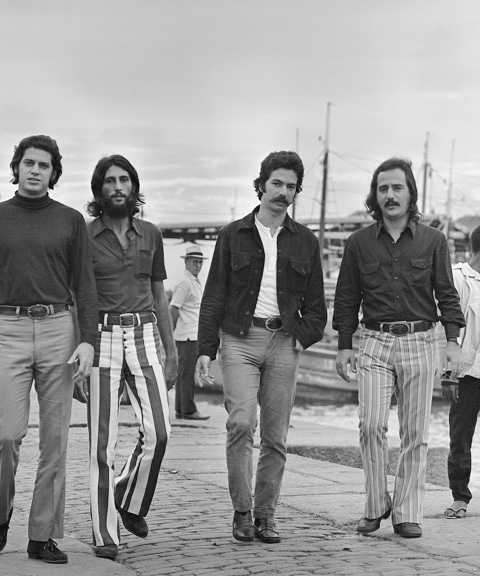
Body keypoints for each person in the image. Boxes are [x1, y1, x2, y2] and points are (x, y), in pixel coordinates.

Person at [195, 150, 327, 543]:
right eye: (277, 183)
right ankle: (242, 512)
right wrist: (206, 349)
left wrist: (300, 337)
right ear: (261, 185)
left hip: (284, 342)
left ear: (296, 192)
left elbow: (317, 307)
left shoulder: (306, 241)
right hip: (240, 339)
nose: (283, 192)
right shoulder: (232, 234)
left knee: (275, 435)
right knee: (240, 423)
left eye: (291, 186)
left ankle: (266, 516)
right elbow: (214, 295)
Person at [333, 156, 465, 539]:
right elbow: (346, 298)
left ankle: (407, 512)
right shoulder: (358, 243)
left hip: (422, 341)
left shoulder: (434, 241)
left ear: (410, 193)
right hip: (374, 341)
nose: (390, 195)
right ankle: (376, 504)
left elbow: (447, 294)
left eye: (397, 187)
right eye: (383, 188)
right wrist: (344, 345)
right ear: (375, 196)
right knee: (370, 425)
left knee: (415, 432)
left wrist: (452, 342)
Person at [0, 135, 98, 564]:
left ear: (53, 173)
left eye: (44, 165)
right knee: (6, 434)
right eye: (29, 163)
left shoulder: (71, 220)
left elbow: (85, 284)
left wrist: (88, 339)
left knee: (55, 440)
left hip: (60, 328)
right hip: (7, 328)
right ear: (16, 168)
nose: (35, 170)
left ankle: (42, 535)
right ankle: (0, 515)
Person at [84, 155, 177, 560]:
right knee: (101, 446)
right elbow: (77, 298)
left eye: (124, 180)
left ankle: (129, 497)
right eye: (110, 181)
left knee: (160, 432)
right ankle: (105, 535)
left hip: (143, 335)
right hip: (101, 336)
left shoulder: (151, 234)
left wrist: (172, 352)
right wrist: (78, 355)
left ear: (134, 187)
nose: (118, 186)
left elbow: (160, 296)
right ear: (99, 190)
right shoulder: (84, 236)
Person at [442, 224, 480, 519]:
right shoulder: (457, 277)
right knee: (460, 438)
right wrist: (448, 374)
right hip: (465, 373)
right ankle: (460, 497)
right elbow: (445, 329)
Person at [170, 245, 210, 420]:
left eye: (200, 262)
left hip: (192, 333)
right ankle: (188, 410)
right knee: (187, 374)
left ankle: (181, 409)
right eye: (195, 262)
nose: (198, 266)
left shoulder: (193, 281)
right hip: (187, 335)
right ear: (186, 262)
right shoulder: (185, 283)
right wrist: (169, 333)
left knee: (184, 373)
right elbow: (173, 308)